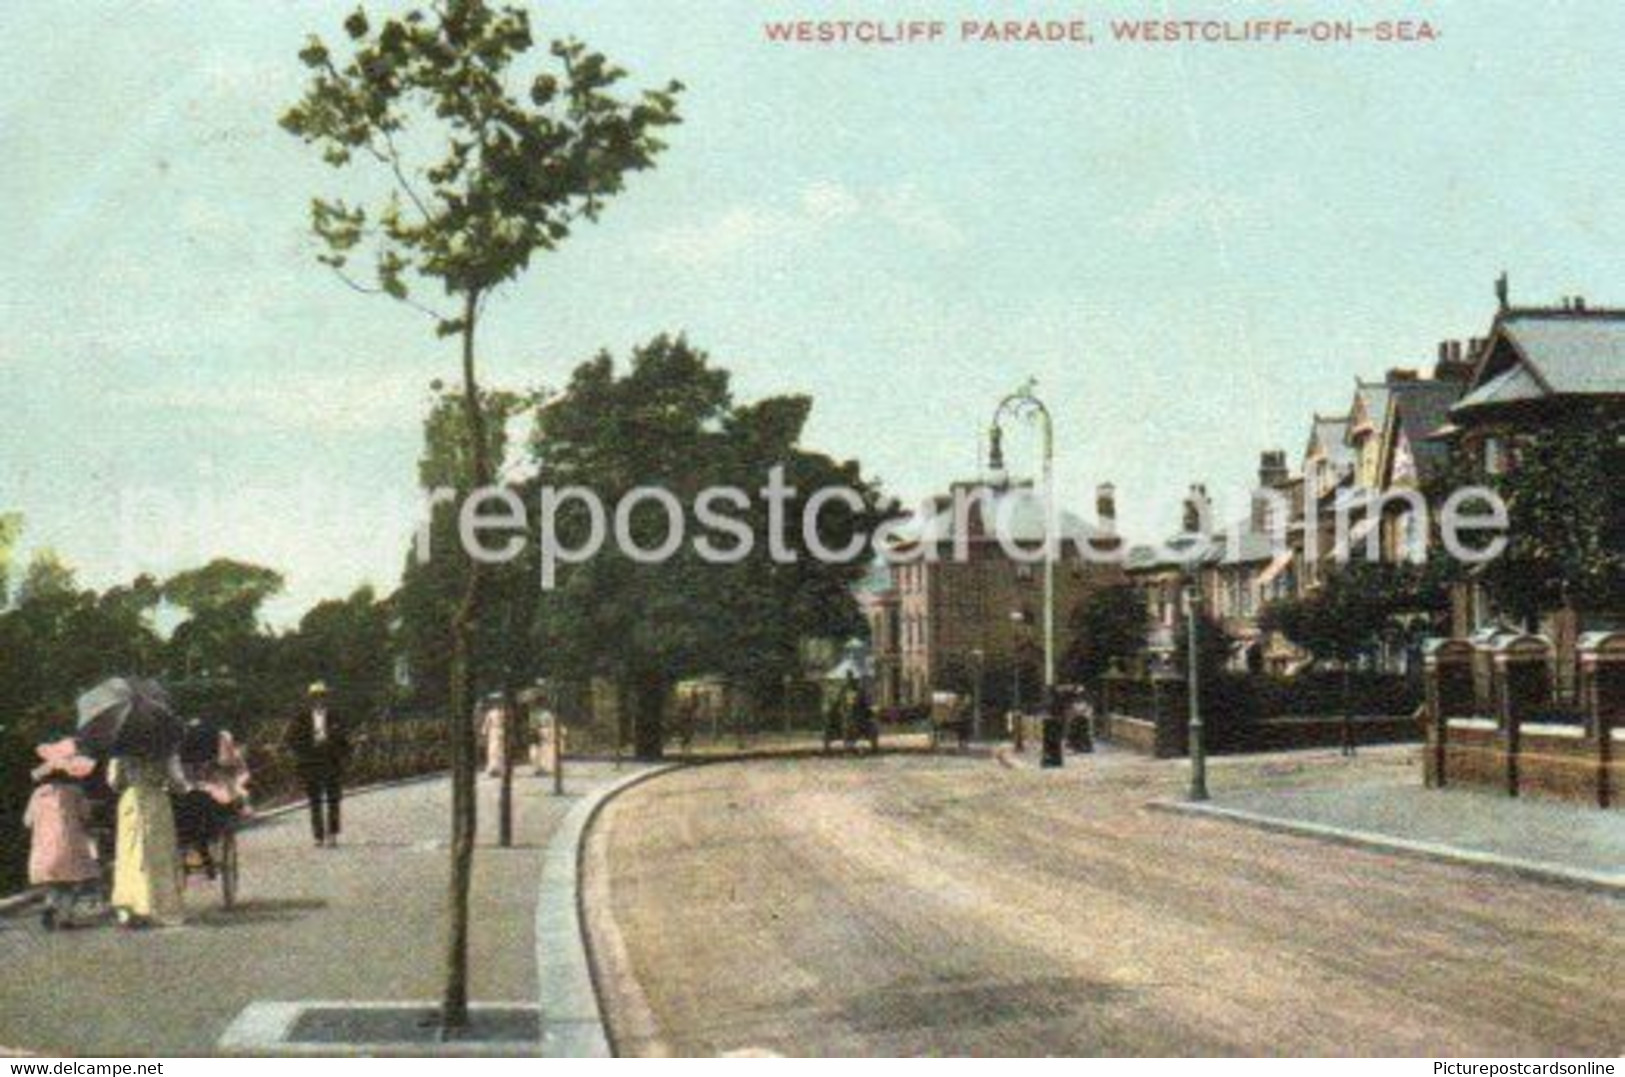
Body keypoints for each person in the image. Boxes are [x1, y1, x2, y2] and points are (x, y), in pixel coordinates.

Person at [24, 739, 100, 931]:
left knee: (54, 883)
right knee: (71, 883)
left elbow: (27, 821)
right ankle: (66, 918)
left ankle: (50, 906)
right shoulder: (74, 792)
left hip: (44, 846)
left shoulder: (38, 794)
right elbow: (86, 815)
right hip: (69, 844)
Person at [107, 751, 186, 929]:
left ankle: (130, 908)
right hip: (156, 800)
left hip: (131, 800)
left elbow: (113, 782)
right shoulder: (165, 749)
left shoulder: (120, 751)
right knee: (158, 853)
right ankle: (159, 908)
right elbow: (177, 782)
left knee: (129, 853)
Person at [284, 681, 350, 848]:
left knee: (333, 800)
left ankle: (333, 834)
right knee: (315, 801)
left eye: (322, 697)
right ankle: (318, 835)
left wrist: (339, 749)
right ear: (310, 699)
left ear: (326, 698)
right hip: (310, 762)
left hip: (331, 762)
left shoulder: (336, 716)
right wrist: (307, 747)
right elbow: (291, 739)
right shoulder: (301, 717)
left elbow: (344, 740)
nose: (319, 700)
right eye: (315, 697)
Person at [479, 695, 511, 778]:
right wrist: (484, 732)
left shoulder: (504, 712)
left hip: (502, 731)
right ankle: (493, 769)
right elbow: (487, 723)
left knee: (502, 751)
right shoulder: (490, 713)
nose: (497, 704)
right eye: (496, 702)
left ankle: (501, 769)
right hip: (493, 732)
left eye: (499, 702)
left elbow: (507, 722)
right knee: (492, 750)